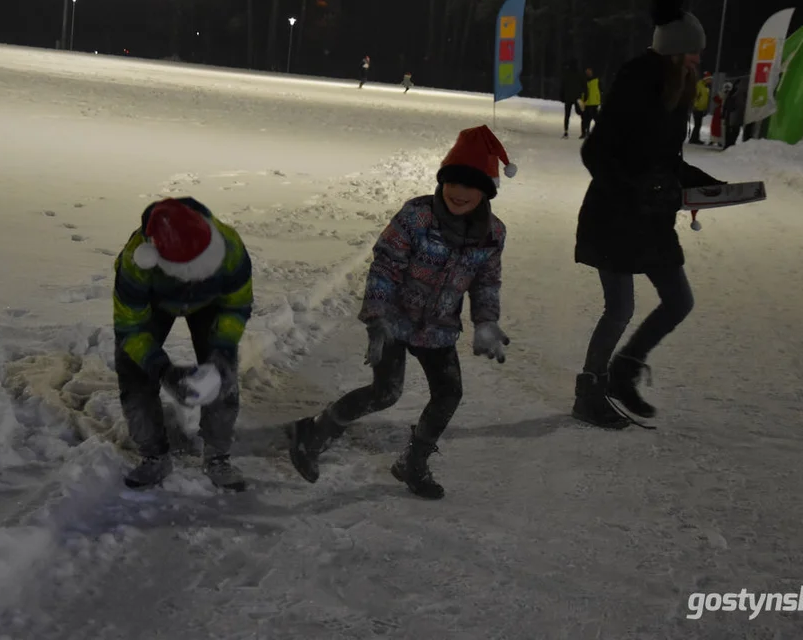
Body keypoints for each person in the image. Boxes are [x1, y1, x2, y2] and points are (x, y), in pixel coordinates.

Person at [286, 126, 516, 499]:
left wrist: (486, 320)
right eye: (451, 182)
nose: (457, 192)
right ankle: (314, 431)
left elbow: (486, 281)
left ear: (486, 191)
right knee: (386, 392)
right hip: (394, 318)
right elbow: (385, 266)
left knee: (449, 393)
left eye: (469, 185)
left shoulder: (492, 234)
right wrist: (377, 319)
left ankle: (413, 461)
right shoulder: (417, 216)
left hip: (438, 328)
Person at [573, 0, 726, 429]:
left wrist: (705, 186)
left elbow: (666, 159)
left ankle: (624, 370)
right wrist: (634, 186)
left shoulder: (677, 91)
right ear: (675, 51)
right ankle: (590, 391)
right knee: (619, 308)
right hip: (615, 215)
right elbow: (596, 152)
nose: (699, 58)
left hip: (652, 220)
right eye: (693, 51)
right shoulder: (637, 80)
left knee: (679, 300)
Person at [112, 197, 253, 490]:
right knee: (134, 371)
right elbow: (130, 326)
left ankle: (217, 456)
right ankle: (154, 455)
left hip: (210, 304)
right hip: (155, 304)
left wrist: (223, 349)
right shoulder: (136, 261)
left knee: (222, 376)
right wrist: (164, 371)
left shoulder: (230, 247)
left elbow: (236, 305)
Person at [560, 59, 585, 138]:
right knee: (582, 114)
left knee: (567, 115)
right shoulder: (580, 74)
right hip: (577, 97)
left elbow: (562, 86)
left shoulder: (566, 74)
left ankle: (566, 132)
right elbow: (584, 85)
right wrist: (585, 96)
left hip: (568, 97)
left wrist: (561, 96)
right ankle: (583, 131)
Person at [689, 72, 711, 144]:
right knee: (697, 125)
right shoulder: (700, 85)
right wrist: (695, 106)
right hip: (697, 108)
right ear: (706, 79)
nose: (710, 80)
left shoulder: (706, 86)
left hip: (701, 108)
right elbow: (696, 96)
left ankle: (695, 138)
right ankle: (694, 139)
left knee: (698, 125)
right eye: (709, 79)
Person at [580, 67, 601, 138]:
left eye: (589, 72)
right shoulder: (584, 81)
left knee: (592, 118)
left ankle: (587, 132)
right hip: (586, 102)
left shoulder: (596, 80)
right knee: (586, 118)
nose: (588, 73)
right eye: (587, 72)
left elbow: (601, 90)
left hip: (594, 102)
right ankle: (585, 132)